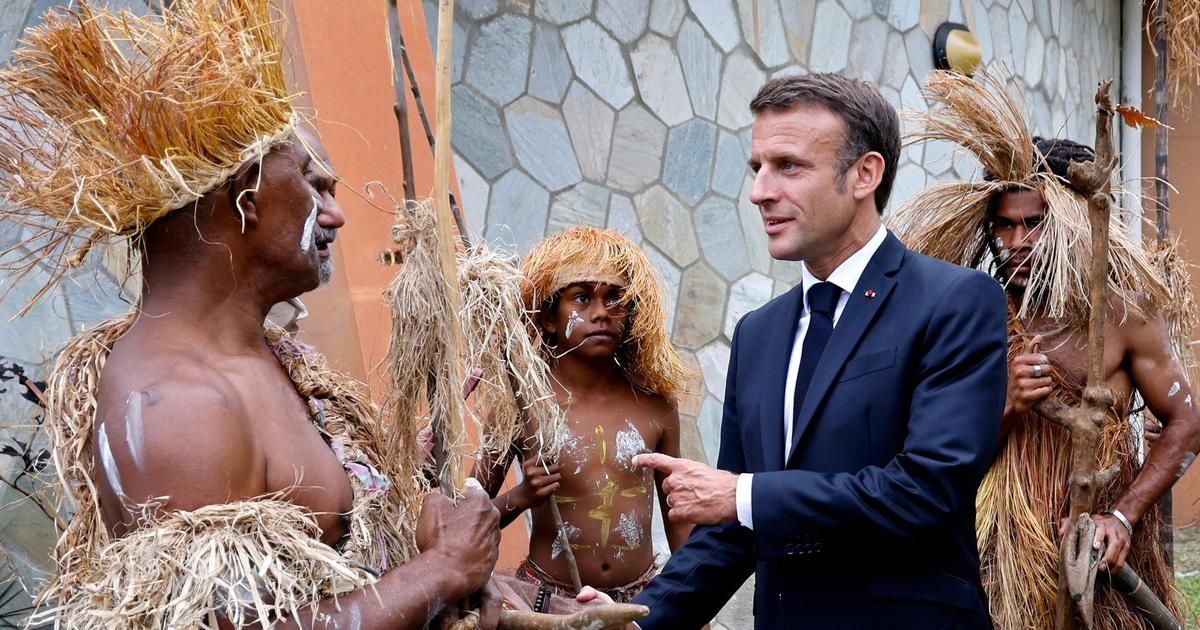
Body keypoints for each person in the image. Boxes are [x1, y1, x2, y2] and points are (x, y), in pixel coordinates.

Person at [0, 1, 534, 627]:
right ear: (248, 196)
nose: (336, 215)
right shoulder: (176, 403)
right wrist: (440, 573)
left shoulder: (269, 359)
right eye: (315, 184)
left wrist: (457, 573)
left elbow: (340, 555)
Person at [629, 73, 1007, 628]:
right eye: (757, 168)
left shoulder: (956, 301)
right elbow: (734, 526)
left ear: (864, 174)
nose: (760, 191)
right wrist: (636, 619)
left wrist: (745, 495)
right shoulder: (757, 334)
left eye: (789, 166)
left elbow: (928, 490)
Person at [892, 70, 1200, 629]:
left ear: (1069, 222)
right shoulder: (967, 316)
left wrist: (1123, 518)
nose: (1016, 243)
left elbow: (1187, 422)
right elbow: (931, 460)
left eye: (1033, 224)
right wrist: (1004, 405)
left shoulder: (1121, 314)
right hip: (991, 555)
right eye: (1004, 227)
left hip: (1092, 554)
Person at [476, 226, 694, 605]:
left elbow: (678, 514)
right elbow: (468, 519)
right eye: (581, 298)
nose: (601, 313)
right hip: (547, 603)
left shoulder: (656, 405)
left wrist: (693, 606)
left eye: (615, 299)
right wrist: (521, 495)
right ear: (548, 318)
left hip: (639, 603)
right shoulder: (522, 404)